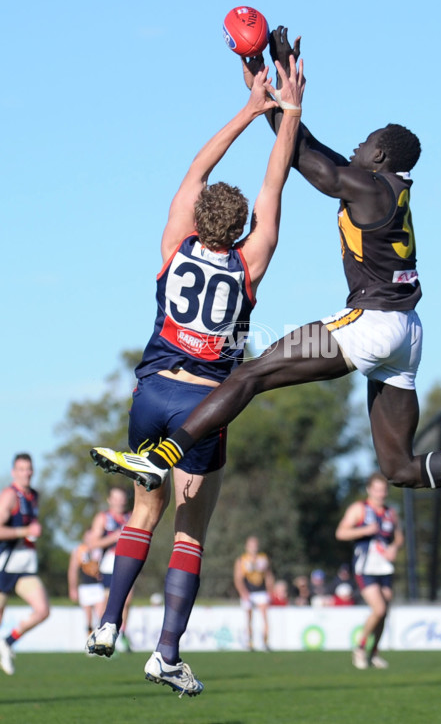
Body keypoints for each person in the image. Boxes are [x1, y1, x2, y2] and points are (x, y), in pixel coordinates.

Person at [91, 28, 441, 542]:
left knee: (248, 375)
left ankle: (162, 456)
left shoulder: (367, 186)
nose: (358, 145)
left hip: (372, 324)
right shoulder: (387, 189)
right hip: (408, 333)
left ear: (380, 157)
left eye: (367, 142)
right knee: (398, 467)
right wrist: (278, 88)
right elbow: (309, 147)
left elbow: (304, 157)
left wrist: (281, 101)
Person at [86, 54, 305, 697]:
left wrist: (249, 105)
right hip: (204, 406)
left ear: (198, 216)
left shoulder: (174, 245)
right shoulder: (251, 264)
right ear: (240, 230)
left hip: (149, 394)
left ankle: (106, 623)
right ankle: (167, 652)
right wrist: (288, 111)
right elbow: (275, 185)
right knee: (191, 528)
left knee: (140, 512)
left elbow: (197, 167)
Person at [336, 472, 403, 669]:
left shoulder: (391, 513)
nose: (380, 494)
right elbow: (340, 532)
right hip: (365, 566)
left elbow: (399, 537)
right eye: (377, 490)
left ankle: (374, 653)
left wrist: (394, 548)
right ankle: (360, 647)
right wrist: (364, 530)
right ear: (369, 490)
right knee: (379, 609)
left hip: (384, 567)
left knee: (384, 612)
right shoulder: (359, 509)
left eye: (383, 491)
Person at [0, 453, 50, 676]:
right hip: (5, 566)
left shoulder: (34, 496)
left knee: (42, 610)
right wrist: (25, 531)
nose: (26, 473)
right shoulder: (10, 495)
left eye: (29, 469)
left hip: (25, 567)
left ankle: (7, 642)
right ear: (14, 472)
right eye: (21, 469)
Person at [87, 486, 133, 650]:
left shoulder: (131, 517)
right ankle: (103, 634)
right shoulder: (103, 518)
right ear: (109, 500)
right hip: (109, 563)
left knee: (127, 600)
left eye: (122, 498)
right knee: (108, 602)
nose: (120, 502)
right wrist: (114, 537)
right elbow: (93, 543)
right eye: (116, 498)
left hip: (128, 562)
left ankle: (122, 634)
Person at [233, 535, 275, 650]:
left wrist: (271, 591)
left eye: (255, 545)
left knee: (264, 616)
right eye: (251, 545)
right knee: (249, 618)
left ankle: (265, 642)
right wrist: (243, 593)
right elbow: (238, 578)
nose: (254, 548)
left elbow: (268, 575)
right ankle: (250, 641)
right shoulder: (242, 559)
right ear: (247, 547)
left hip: (261, 591)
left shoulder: (263, 558)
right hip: (248, 592)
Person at [67, 529, 105, 636]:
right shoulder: (78, 550)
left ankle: (101, 639)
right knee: (88, 618)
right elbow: (73, 570)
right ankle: (90, 642)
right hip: (85, 587)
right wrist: (72, 588)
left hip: (98, 586)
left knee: (101, 615)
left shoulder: (100, 549)